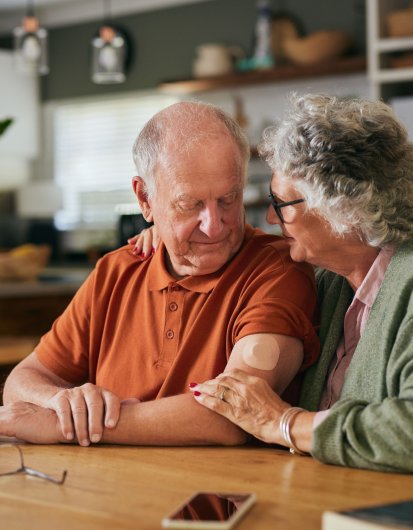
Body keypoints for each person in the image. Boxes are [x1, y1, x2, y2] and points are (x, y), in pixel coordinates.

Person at [133, 94, 413, 481]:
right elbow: (240, 256)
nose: (271, 217)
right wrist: (165, 233)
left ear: (342, 209)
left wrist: (287, 423)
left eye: (281, 203)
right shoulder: (334, 278)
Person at [0, 101, 320, 447]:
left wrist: (71, 426)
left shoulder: (278, 269)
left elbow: (237, 414)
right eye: (190, 204)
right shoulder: (116, 270)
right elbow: (26, 377)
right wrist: (60, 404)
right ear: (144, 199)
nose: (214, 226)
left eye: (228, 199)